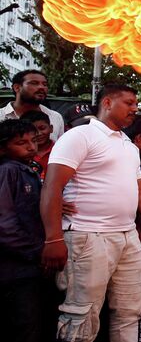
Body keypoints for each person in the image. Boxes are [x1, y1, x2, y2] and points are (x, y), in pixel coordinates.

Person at [40, 83, 141, 342]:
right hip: (87, 237)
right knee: (81, 315)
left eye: (136, 104)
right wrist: (53, 238)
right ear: (107, 103)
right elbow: (52, 185)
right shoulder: (80, 136)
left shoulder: (128, 144)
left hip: (126, 238)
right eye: (129, 103)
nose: (135, 109)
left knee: (131, 311)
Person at [0, 119, 46, 342]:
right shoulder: (8, 171)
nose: (30, 146)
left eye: (33, 140)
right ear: (3, 148)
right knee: (23, 323)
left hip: (28, 264)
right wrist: (38, 251)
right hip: (15, 265)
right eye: (21, 143)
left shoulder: (30, 169)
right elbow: (5, 225)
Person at [1, 70, 65, 140]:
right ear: (17, 87)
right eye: (34, 83)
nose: (41, 87)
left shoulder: (55, 117)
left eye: (45, 84)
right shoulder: (1, 116)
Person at [19, 110, 55, 181]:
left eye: (42, 128)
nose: (38, 133)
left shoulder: (60, 149)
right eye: (33, 130)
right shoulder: (19, 153)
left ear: (51, 128)